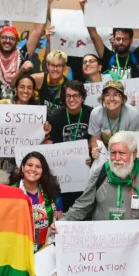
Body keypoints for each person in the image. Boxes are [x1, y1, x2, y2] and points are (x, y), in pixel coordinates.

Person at [53, 131, 139, 276]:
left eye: (122, 153)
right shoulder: (100, 174)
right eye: (113, 153)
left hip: (138, 245)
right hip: (106, 247)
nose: (116, 158)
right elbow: (82, 205)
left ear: (134, 154)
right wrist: (62, 223)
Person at [11, 152, 65, 276]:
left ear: (43, 171)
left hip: (46, 247)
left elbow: (60, 217)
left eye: (38, 167)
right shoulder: (11, 191)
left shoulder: (52, 191)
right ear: (22, 167)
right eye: (29, 165)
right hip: (21, 250)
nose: (33, 169)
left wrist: (57, 226)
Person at [80, 0, 139, 79]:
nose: (121, 42)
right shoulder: (107, 56)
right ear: (113, 39)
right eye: (118, 39)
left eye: (124, 39)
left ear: (131, 40)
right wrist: (84, 8)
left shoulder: (137, 56)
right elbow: (93, 34)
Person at [45, 80, 94, 210]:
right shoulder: (56, 116)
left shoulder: (91, 114)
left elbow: (95, 143)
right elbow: (51, 143)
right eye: (68, 96)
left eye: (76, 96)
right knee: (64, 206)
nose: (72, 99)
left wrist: (92, 157)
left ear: (82, 97)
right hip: (63, 173)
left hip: (85, 168)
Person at [0, 74, 46, 183]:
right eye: (22, 87)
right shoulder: (2, 105)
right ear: (15, 89)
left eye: (29, 88)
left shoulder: (37, 113)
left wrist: (45, 130)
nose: (25, 90)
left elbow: (41, 139)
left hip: (25, 166)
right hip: (1, 164)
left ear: (34, 91)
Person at [88, 80, 139, 149]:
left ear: (123, 99)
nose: (111, 98)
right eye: (107, 95)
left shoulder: (132, 114)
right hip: (104, 153)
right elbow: (95, 141)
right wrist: (96, 151)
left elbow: (132, 144)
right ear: (103, 98)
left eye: (116, 95)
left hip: (125, 152)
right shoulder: (96, 113)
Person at [30, 49, 69, 115]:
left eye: (59, 65)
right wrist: (21, 70)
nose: (55, 69)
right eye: (52, 65)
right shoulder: (40, 78)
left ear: (64, 68)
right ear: (47, 66)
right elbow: (16, 84)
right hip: (40, 120)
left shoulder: (69, 85)